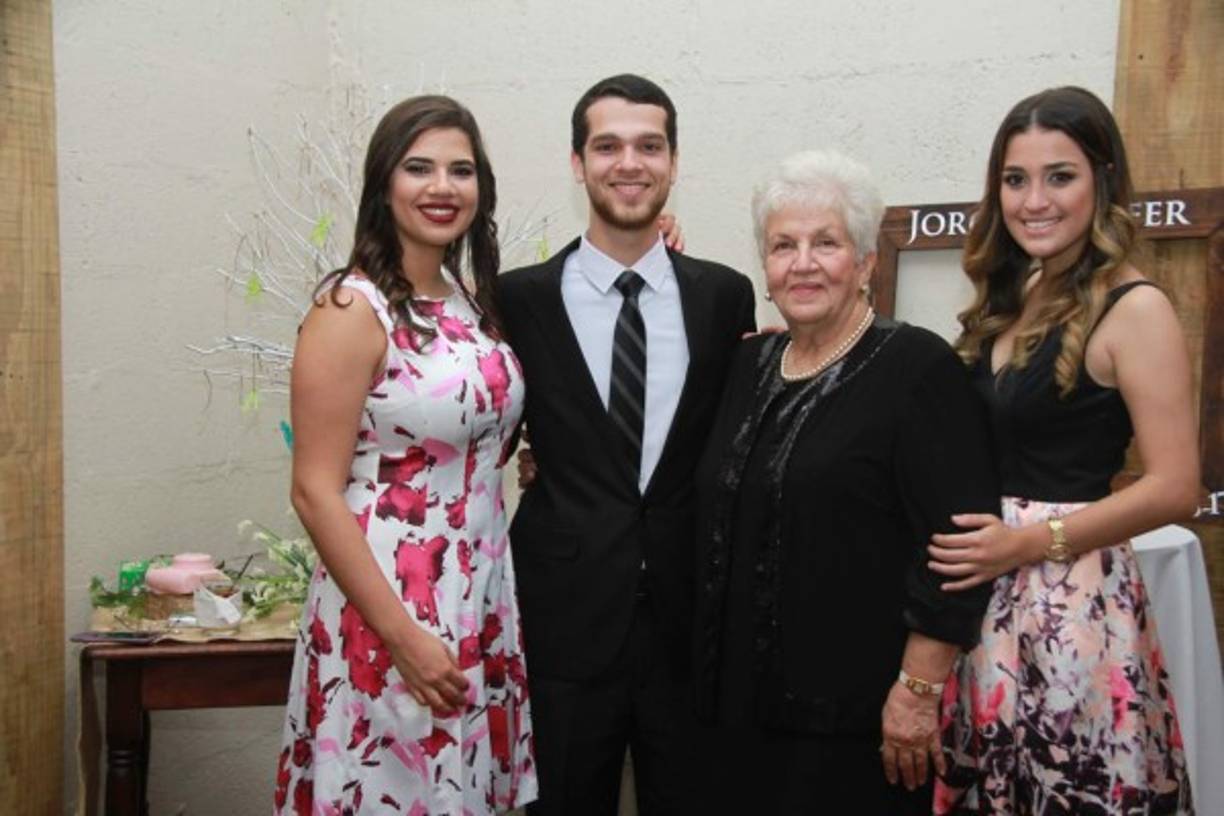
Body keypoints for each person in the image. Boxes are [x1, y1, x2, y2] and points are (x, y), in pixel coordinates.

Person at [690, 149, 1000, 815]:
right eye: (783, 245)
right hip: (736, 715)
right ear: (765, 268)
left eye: (825, 243)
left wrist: (918, 691)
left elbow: (957, 546)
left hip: (858, 724)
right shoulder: (749, 364)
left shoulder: (918, 368)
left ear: (864, 263)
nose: (803, 262)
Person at [932, 86, 1198, 815]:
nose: (1033, 201)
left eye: (1061, 175)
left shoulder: (1134, 307)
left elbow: (1176, 485)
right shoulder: (1014, 297)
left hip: (1074, 611)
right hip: (989, 607)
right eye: (1015, 180)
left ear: (1103, 180)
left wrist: (1029, 544)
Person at [497, 74, 756, 815]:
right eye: (607, 146)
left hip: (691, 623)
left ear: (673, 162)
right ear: (577, 163)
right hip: (563, 623)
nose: (629, 163)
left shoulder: (723, 295)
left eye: (649, 145)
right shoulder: (520, 299)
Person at [275, 95, 536, 814]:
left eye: (460, 170)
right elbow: (314, 492)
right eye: (419, 168)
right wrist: (402, 635)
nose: (441, 187)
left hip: (477, 585)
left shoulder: (466, 301)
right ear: (383, 183)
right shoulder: (350, 310)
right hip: (389, 599)